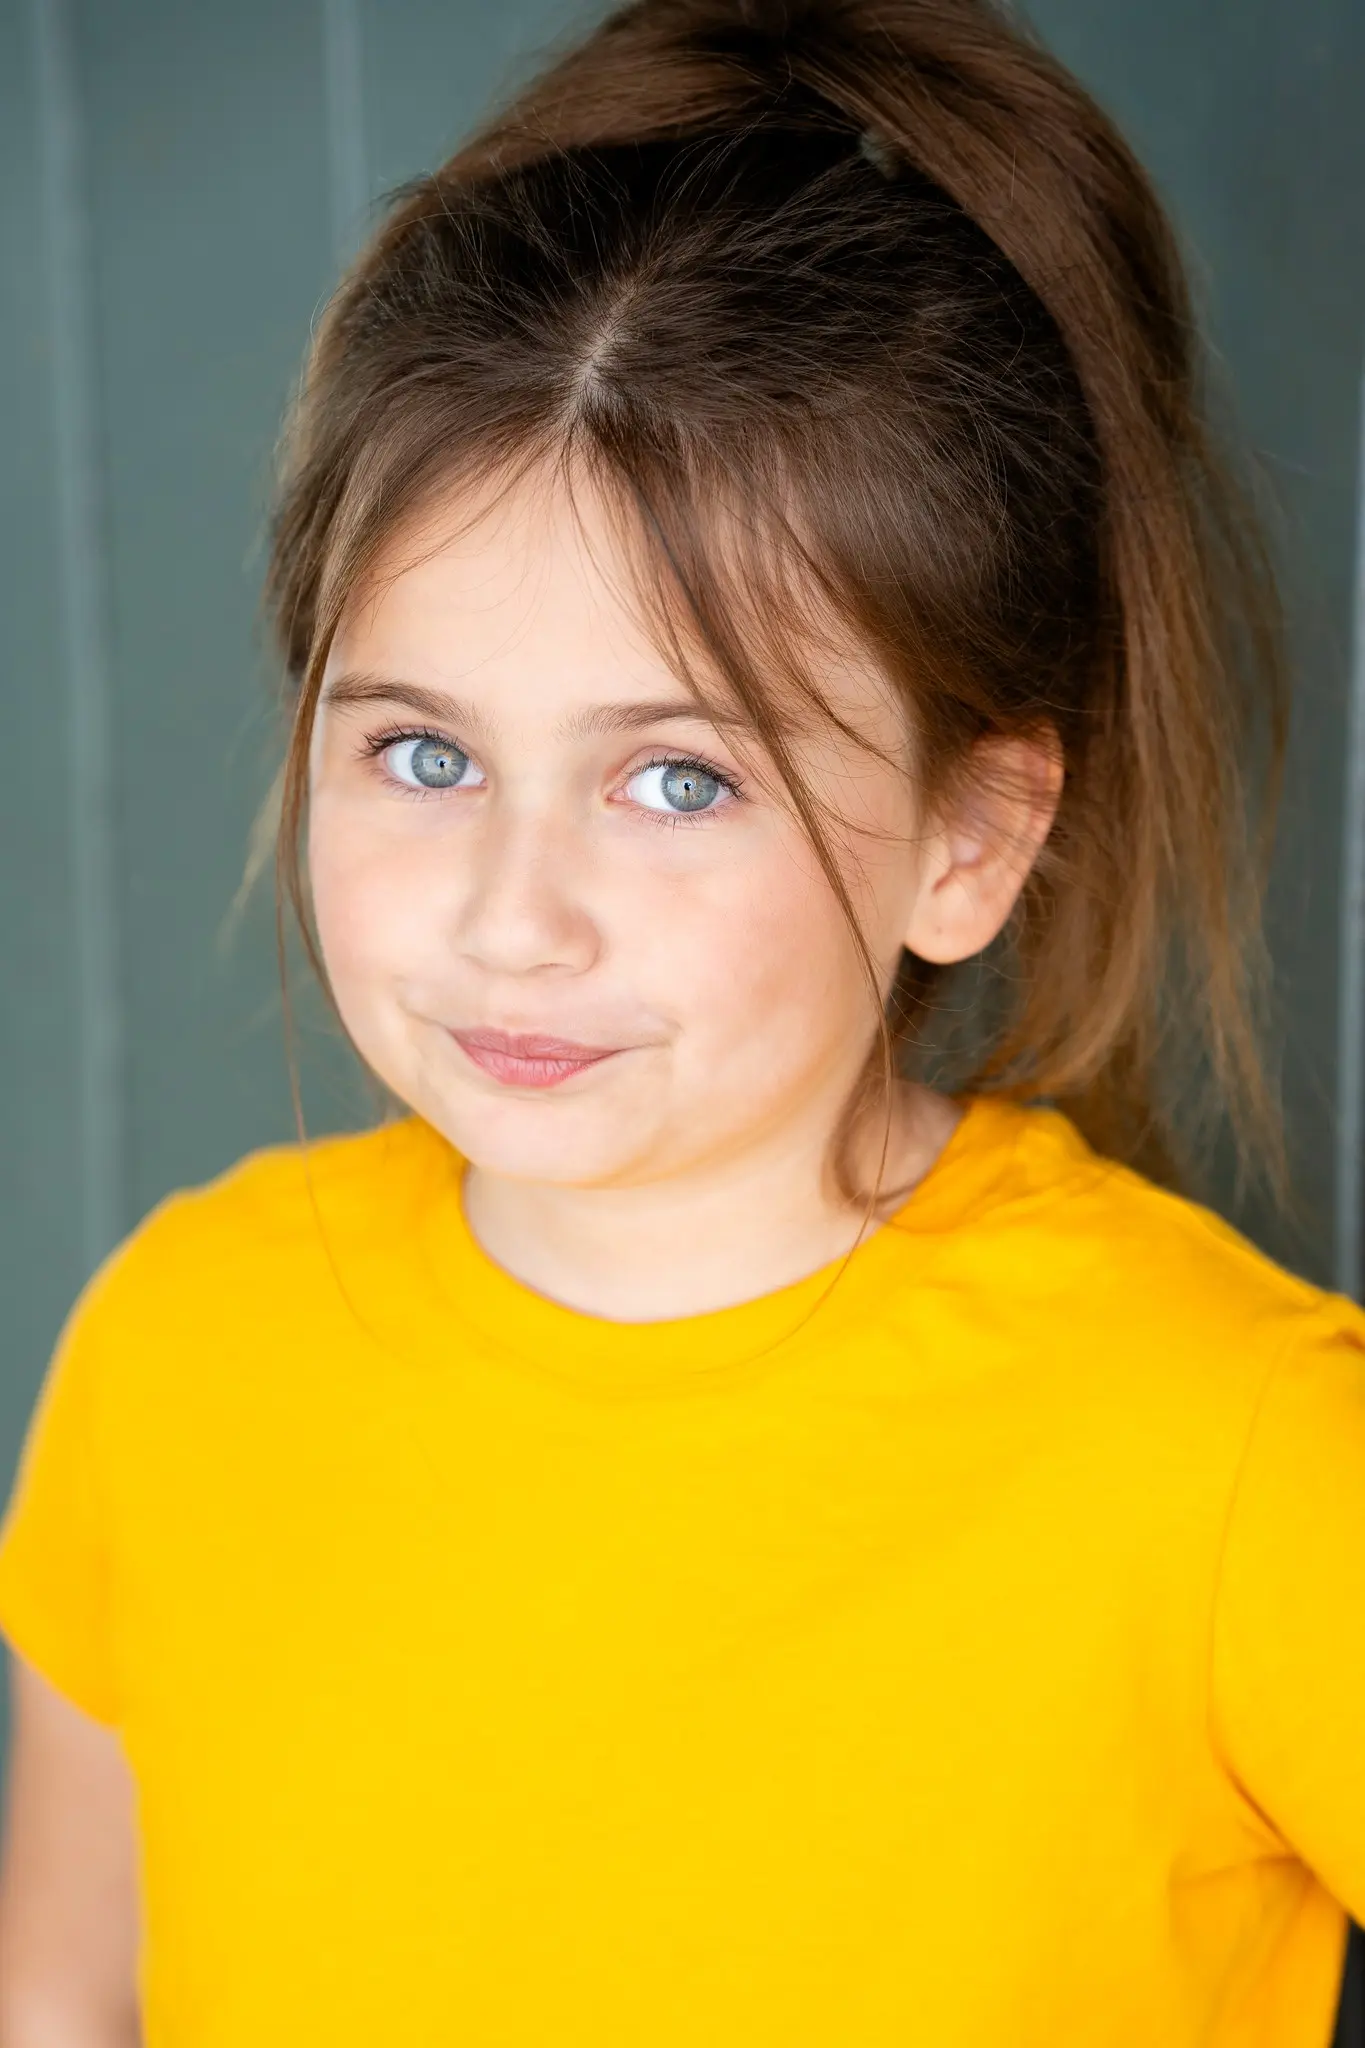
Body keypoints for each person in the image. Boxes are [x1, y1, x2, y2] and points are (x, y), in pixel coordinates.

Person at [2, 0, 1362, 2041]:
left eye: (678, 779)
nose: (511, 918)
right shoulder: (175, 1350)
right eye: (423, 755)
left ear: (968, 839)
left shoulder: (1237, 1451)